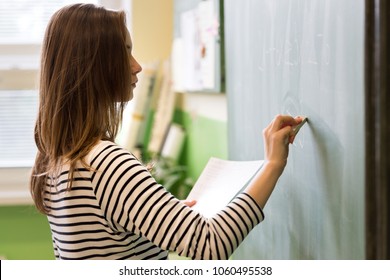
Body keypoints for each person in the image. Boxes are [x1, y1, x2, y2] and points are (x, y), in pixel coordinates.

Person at [30, 3, 302, 260]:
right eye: (124, 51)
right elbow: (211, 243)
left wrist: (161, 216)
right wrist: (273, 165)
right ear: (92, 65)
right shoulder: (105, 165)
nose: (136, 66)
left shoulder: (55, 158)